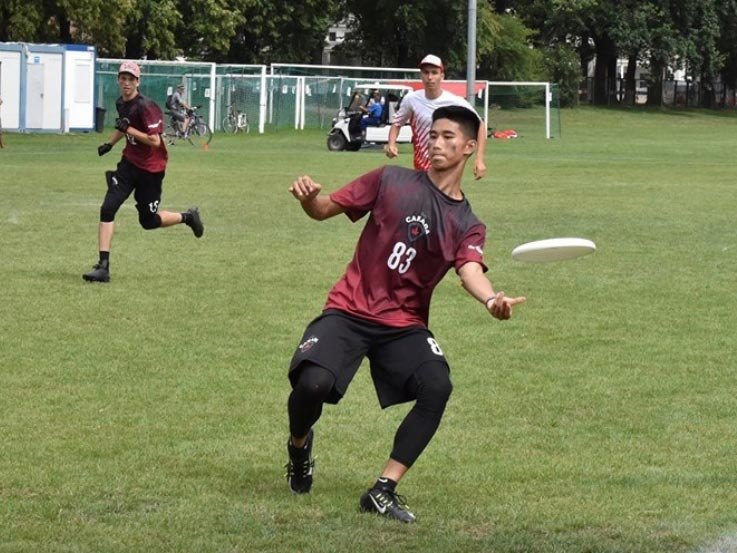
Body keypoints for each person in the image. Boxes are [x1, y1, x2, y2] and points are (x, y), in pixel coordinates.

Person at [285, 106, 525, 522]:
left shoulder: (467, 222)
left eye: (448, 137)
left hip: (403, 325)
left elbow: (469, 270)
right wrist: (309, 200)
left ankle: (382, 490)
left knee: (437, 385)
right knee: (313, 384)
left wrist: (490, 301)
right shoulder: (389, 179)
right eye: (433, 135)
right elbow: (324, 209)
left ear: (469, 147)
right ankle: (299, 446)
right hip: (349, 308)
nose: (435, 142)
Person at [84, 61, 204, 283]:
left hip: (151, 170)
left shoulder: (147, 107)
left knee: (148, 222)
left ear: (138, 82)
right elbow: (124, 126)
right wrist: (110, 144)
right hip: (128, 165)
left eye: (131, 79)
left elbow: (154, 140)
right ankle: (103, 266)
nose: (126, 83)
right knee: (108, 208)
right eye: (123, 78)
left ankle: (188, 217)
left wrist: (127, 129)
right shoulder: (121, 102)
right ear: (119, 80)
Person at [385, 54, 487, 180]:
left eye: (434, 73)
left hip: (446, 166)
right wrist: (391, 144)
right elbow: (397, 123)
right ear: (421, 75)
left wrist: (479, 159)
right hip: (421, 167)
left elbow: (480, 124)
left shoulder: (454, 101)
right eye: (426, 72)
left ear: (442, 76)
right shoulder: (411, 99)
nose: (430, 77)